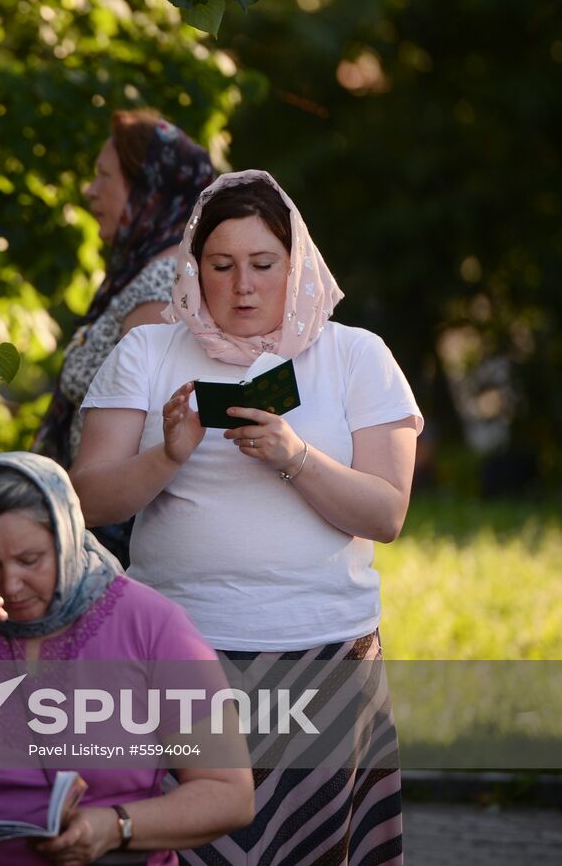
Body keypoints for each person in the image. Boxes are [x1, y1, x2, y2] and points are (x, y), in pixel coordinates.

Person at [72, 171, 422, 865]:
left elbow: (387, 513)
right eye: (221, 266)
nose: (242, 286)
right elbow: (85, 500)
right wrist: (168, 456)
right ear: (193, 269)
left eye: (263, 265)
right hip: (179, 651)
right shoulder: (147, 352)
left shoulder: (355, 356)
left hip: (323, 652)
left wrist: (295, 457)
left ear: (297, 265)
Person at [0, 451, 253, 865]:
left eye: (29, 560)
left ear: (68, 537)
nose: (10, 584)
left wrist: (117, 826)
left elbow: (228, 793)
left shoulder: (150, 624)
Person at [32, 111, 216, 564]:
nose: (91, 191)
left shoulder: (160, 288)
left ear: (149, 190)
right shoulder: (142, 274)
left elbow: (141, 432)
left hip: (115, 546)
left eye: (104, 177)